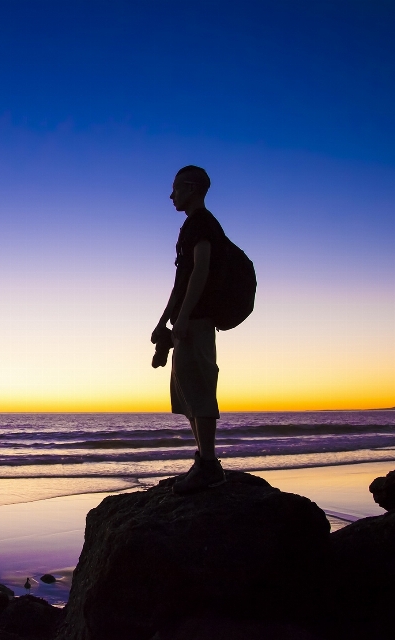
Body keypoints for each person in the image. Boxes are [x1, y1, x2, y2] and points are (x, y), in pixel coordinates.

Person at [151, 165, 227, 495]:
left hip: (196, 320)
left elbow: (201, 271)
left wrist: (182, 318)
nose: (171, 195)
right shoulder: (189, 227)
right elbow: (180, 281)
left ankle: (209, 465)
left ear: (191, 188)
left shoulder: (203, 224)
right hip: (186, 318)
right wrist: (162, 320)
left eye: (176, 189)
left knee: (199, 387)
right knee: (185, 394)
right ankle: (203, 461)